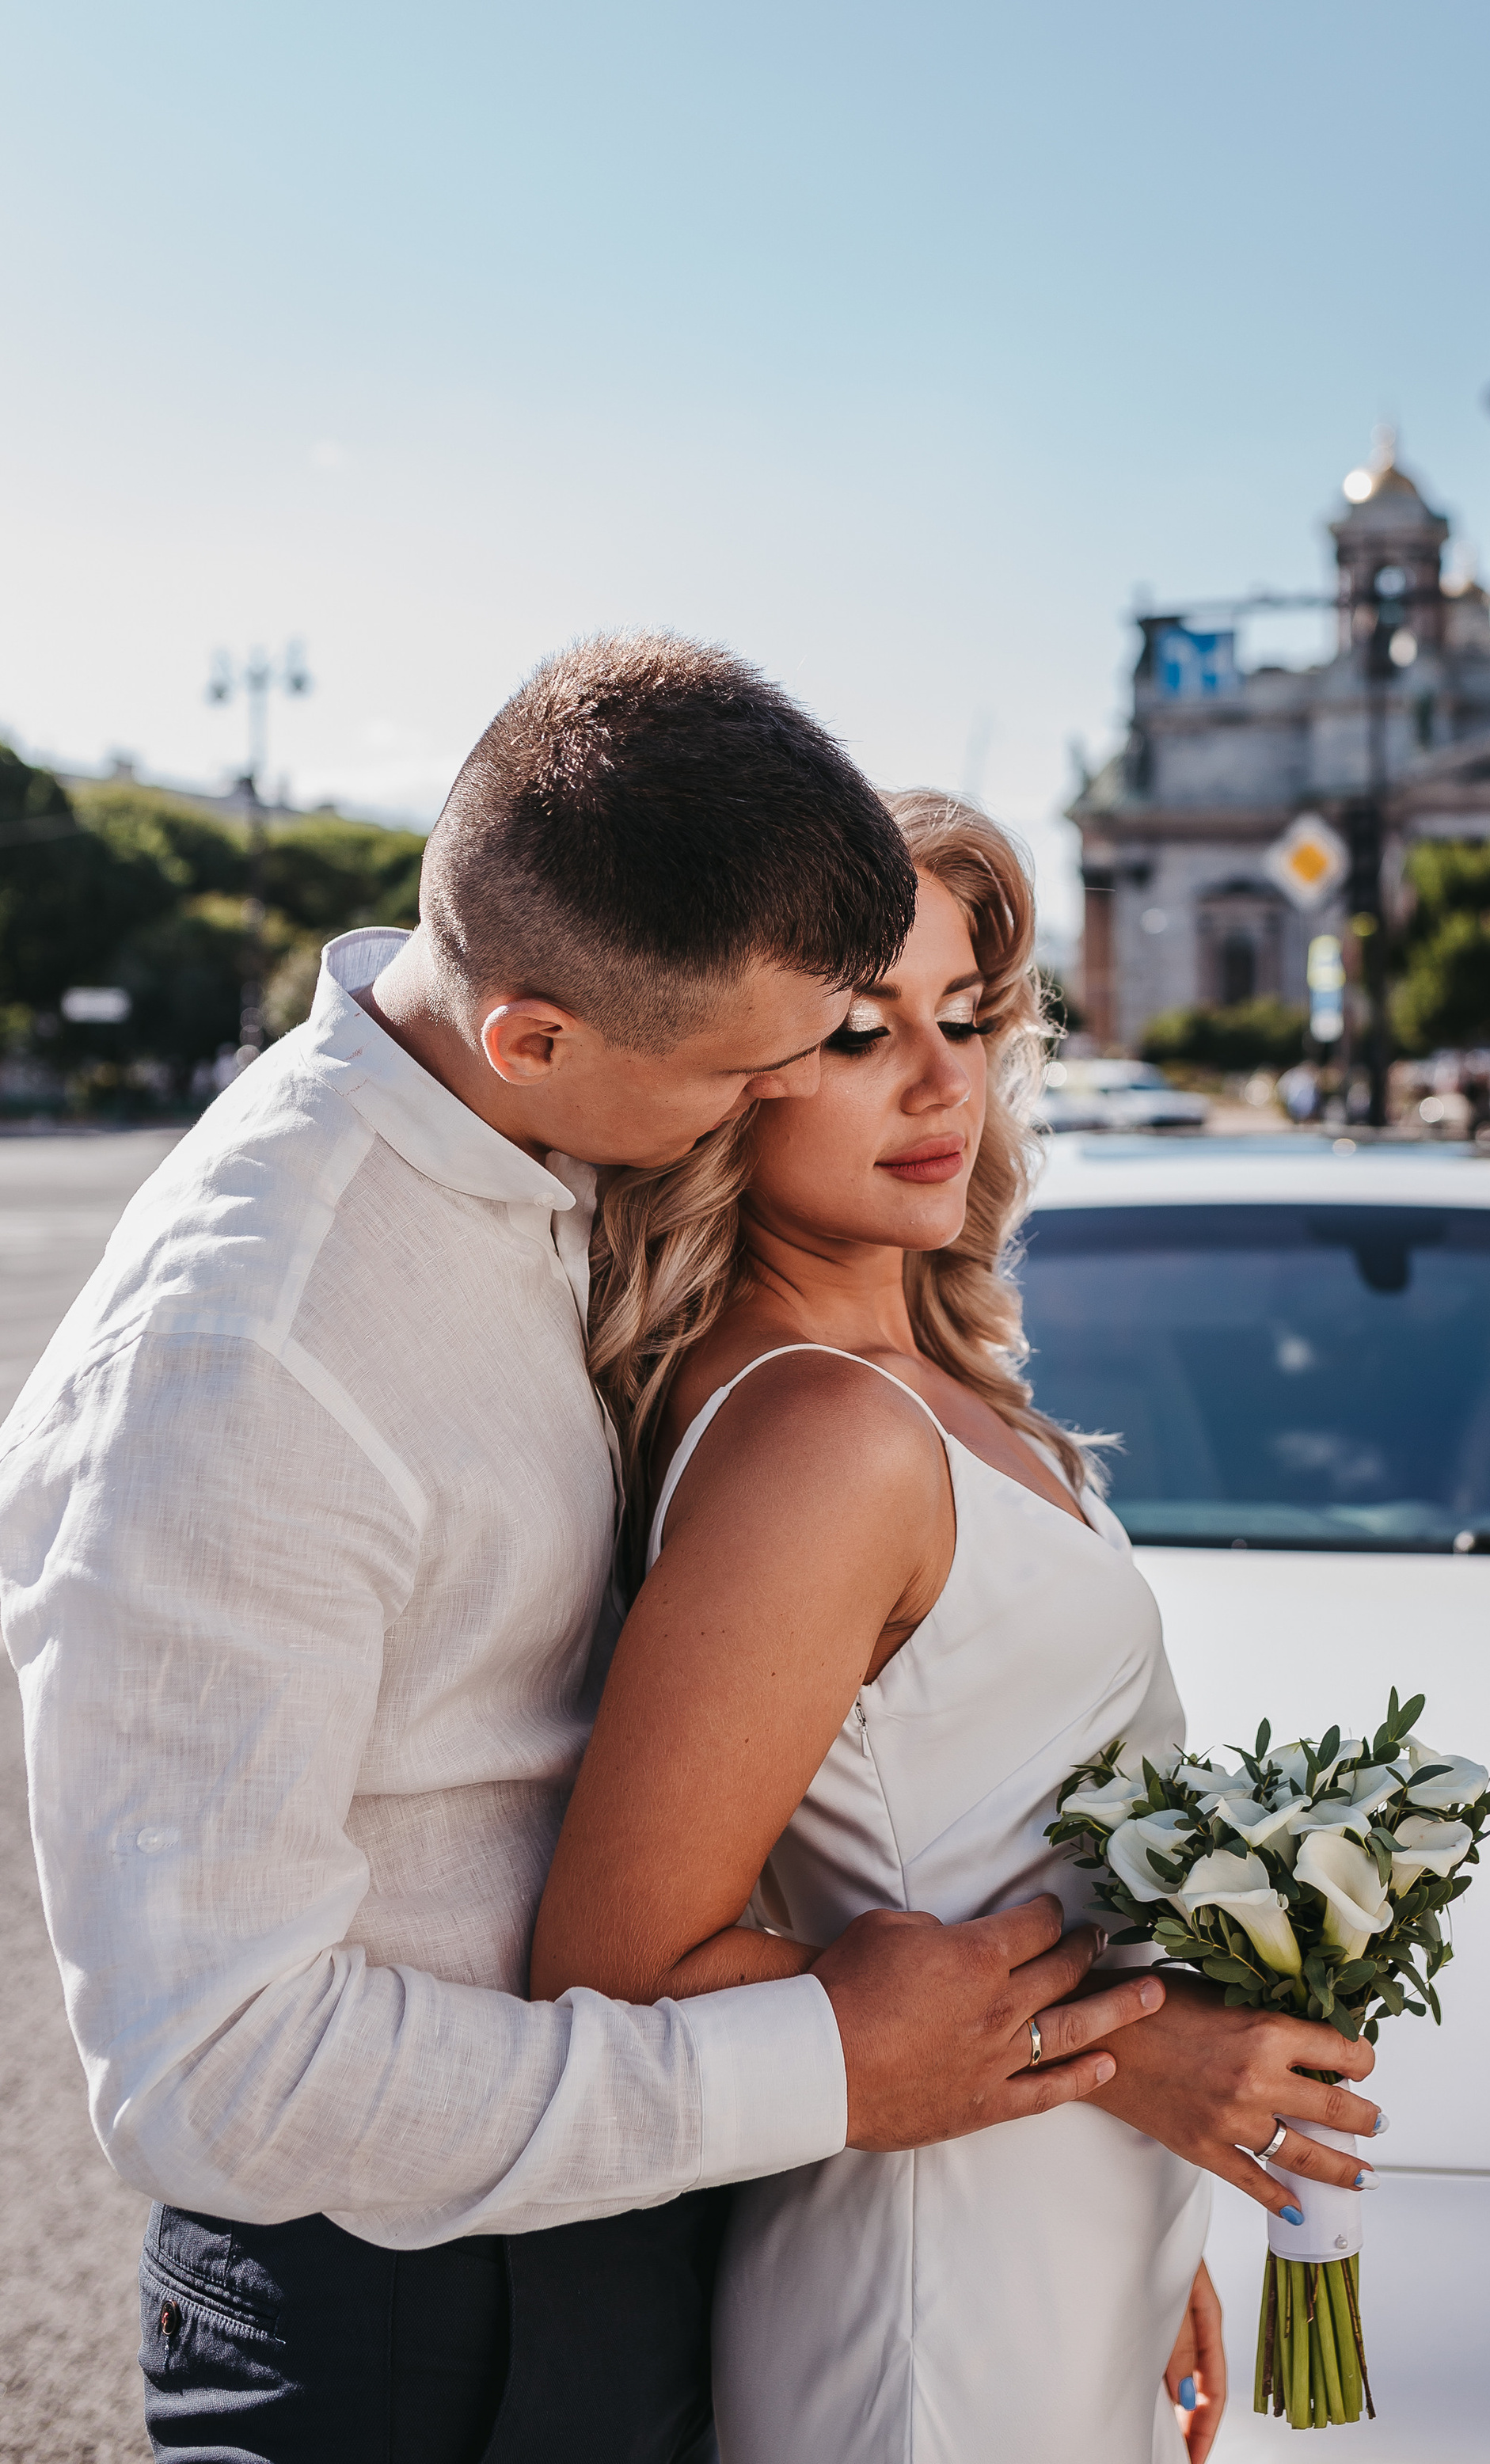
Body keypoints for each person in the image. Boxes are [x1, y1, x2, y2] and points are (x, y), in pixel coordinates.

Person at [0, 642, 1176, 2464]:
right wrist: (835, 2061)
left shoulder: (537, 1130)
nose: (797, 1092)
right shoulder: (249, 1359)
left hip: (667, 2222)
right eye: (757, 1065)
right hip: (406, 2326)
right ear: (534, 1034)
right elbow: (216, 2076)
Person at [533, 793, 1382, 2463]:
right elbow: (612, 1971)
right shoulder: (820, 1440)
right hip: (924, 2299)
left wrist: (1135, 2210)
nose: (940, 1080)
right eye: (860, 1033)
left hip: (1047, 2234)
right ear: (734, 1072)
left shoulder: (938, 1388)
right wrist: (1129, 2072)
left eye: (965, 1016)